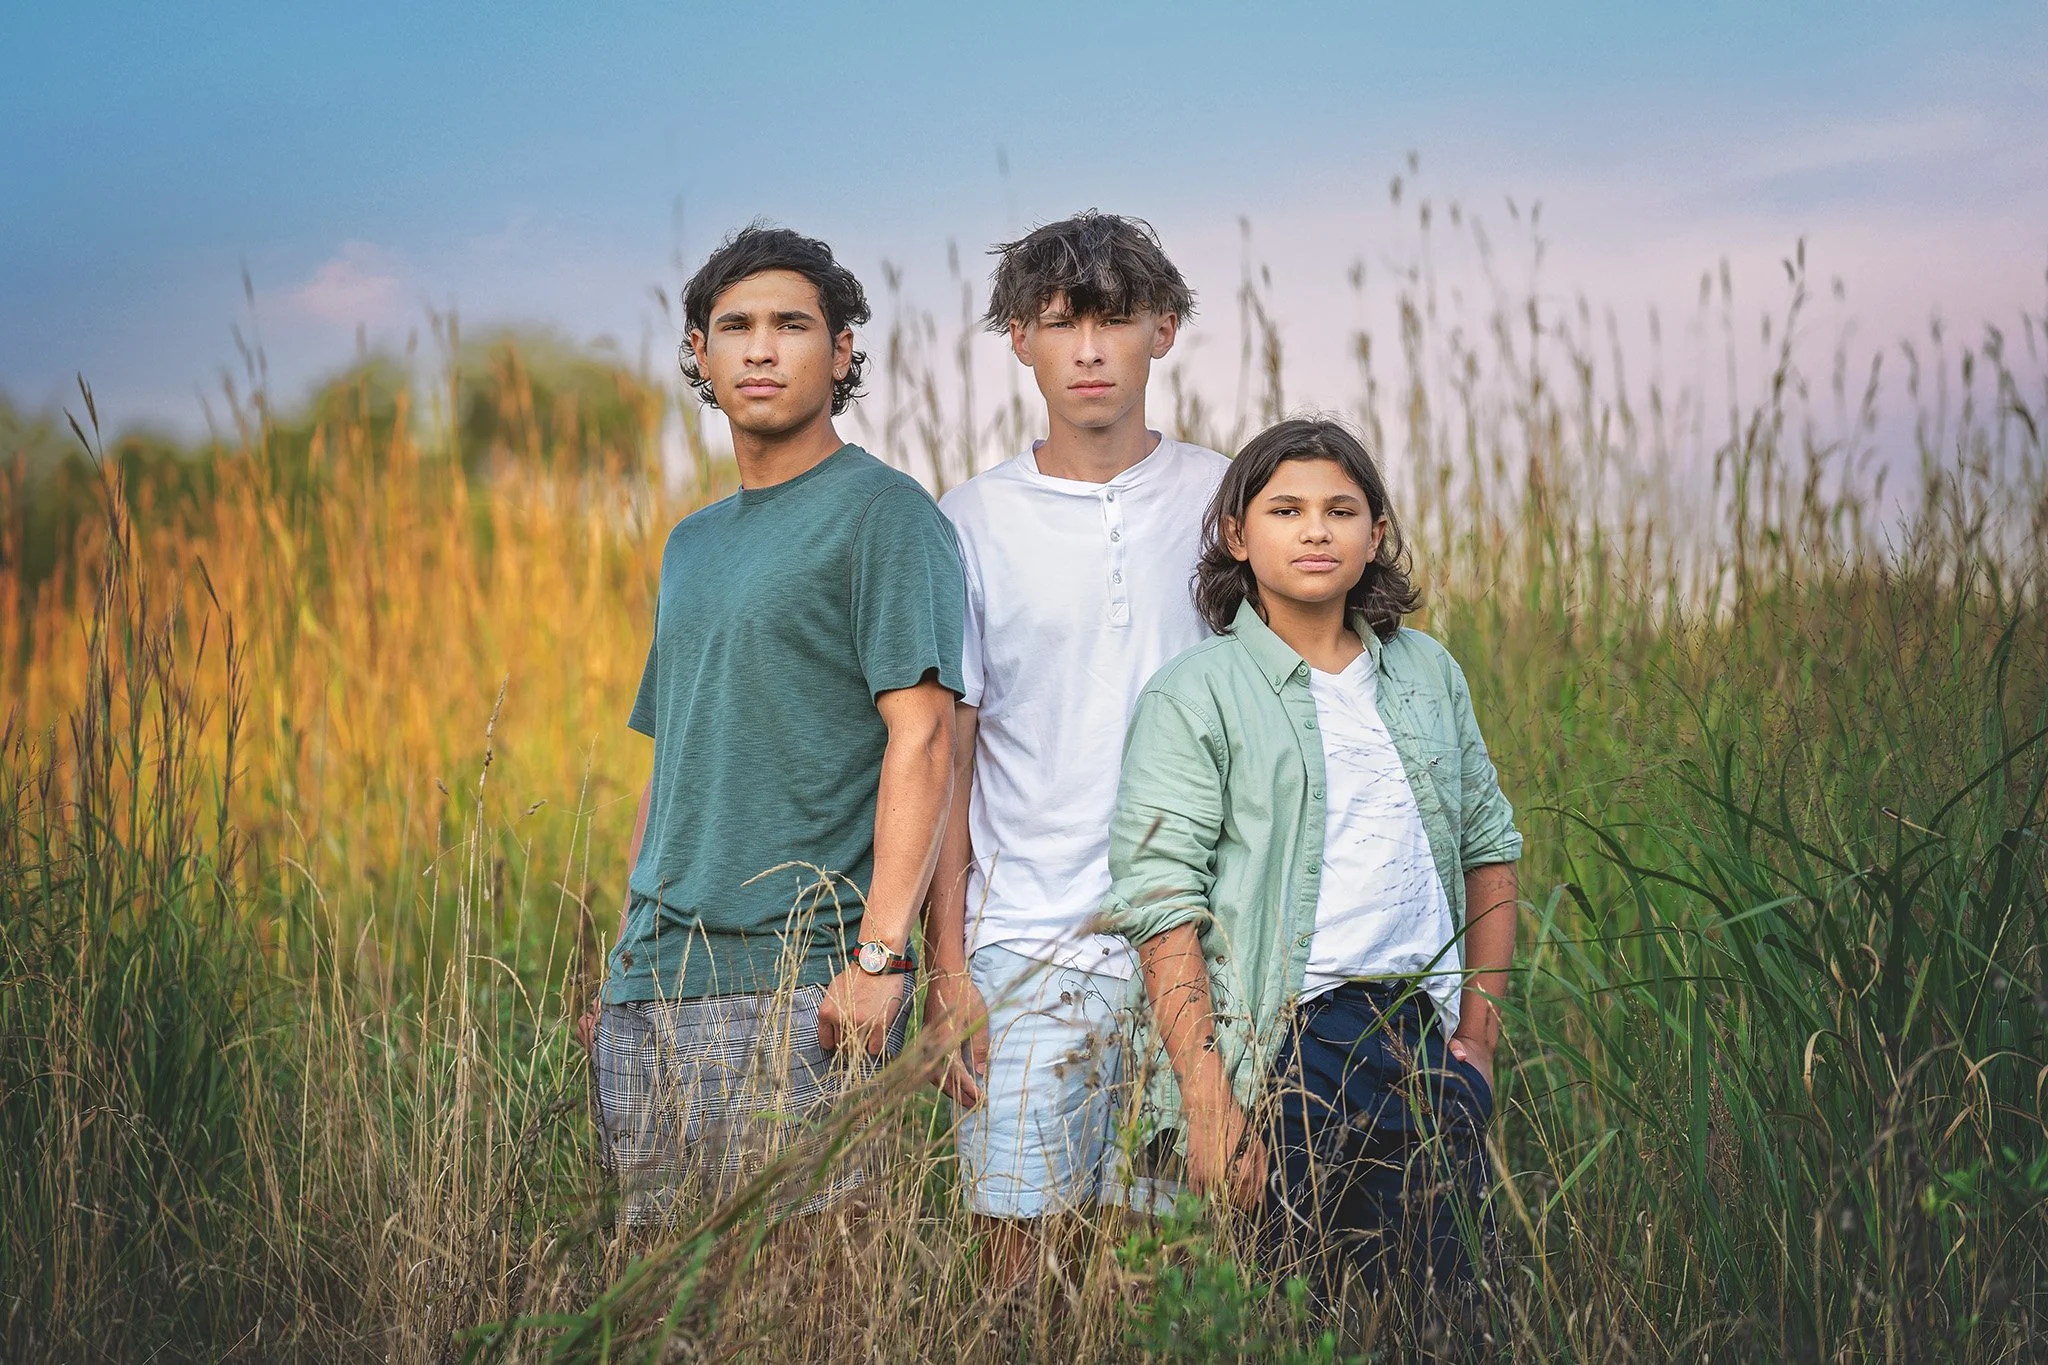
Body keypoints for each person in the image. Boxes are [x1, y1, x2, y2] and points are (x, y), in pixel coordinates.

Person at [576, 224, 966, 1225]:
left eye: (791, 325)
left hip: (800, 984)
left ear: (839, 354)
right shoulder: (690, 544)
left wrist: (881, 961)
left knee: (809, 1305)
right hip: (654, 980)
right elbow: (674, 761)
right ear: (698, 355)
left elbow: (922, 741)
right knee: (663, 1303)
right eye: (734, 326)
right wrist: (623, 953)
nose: (760, 348)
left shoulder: (882, 514)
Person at [1099, 417, 1521, 1295]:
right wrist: (1211, 1105)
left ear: (1375, 536)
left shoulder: (1427, 673)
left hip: (1421, 1039)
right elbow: (1160, 903)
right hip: (1287, 1048)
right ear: (1237, 536)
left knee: (1440, 1318)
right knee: (1288, 1310)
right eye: (1286, 509)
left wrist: (1476, 1043)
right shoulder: (1196, 693)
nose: (1317, 529)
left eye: (1341, 509)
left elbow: (1490, 848)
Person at [924, 212, 1228, 1289]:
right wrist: (949, 968)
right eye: (1060, 323)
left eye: (1113, 321)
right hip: (1024, 949)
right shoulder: (965, 523)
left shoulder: (1227, 503)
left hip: (1200, 949)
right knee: (1017, 1268)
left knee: (1161, 1276)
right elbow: (948, 765)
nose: (1088, 350)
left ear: (1166, 330)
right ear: (1019, 338)